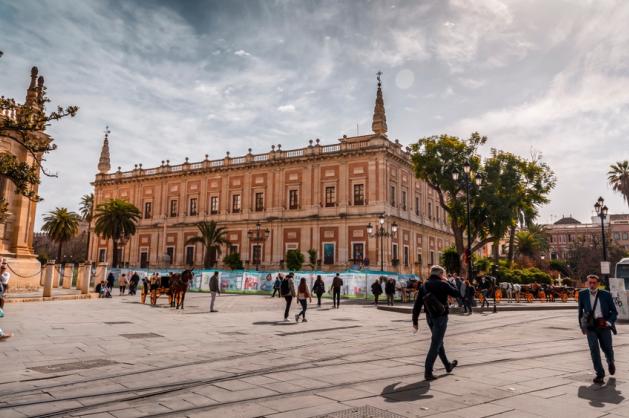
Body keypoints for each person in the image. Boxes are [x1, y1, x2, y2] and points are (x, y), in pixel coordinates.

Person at [412, 265, 461, 381]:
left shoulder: (424, 286)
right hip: (441, 317)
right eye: (443, 275)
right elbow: (457, 293)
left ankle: (447, 365)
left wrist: (415, 321)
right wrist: (449, 281)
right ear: (440, 274)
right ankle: (428, 372)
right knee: (436, 343)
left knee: (439, 342)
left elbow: (417, 305)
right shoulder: (443, 284)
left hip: (429, 317)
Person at [578, 274, 618, 384]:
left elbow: (614, 312)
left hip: (604, 326)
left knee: (607, 348)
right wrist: (582, 326)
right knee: (594, 349)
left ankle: (610, 362)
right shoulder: (582, 294)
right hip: (591, 327)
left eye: (594, 282)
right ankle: (600, 374)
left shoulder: (606, 295)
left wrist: (608, 322)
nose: (591, 284)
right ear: (587, 283)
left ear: (598, 284)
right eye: (589, 282)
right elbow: (580, 312)